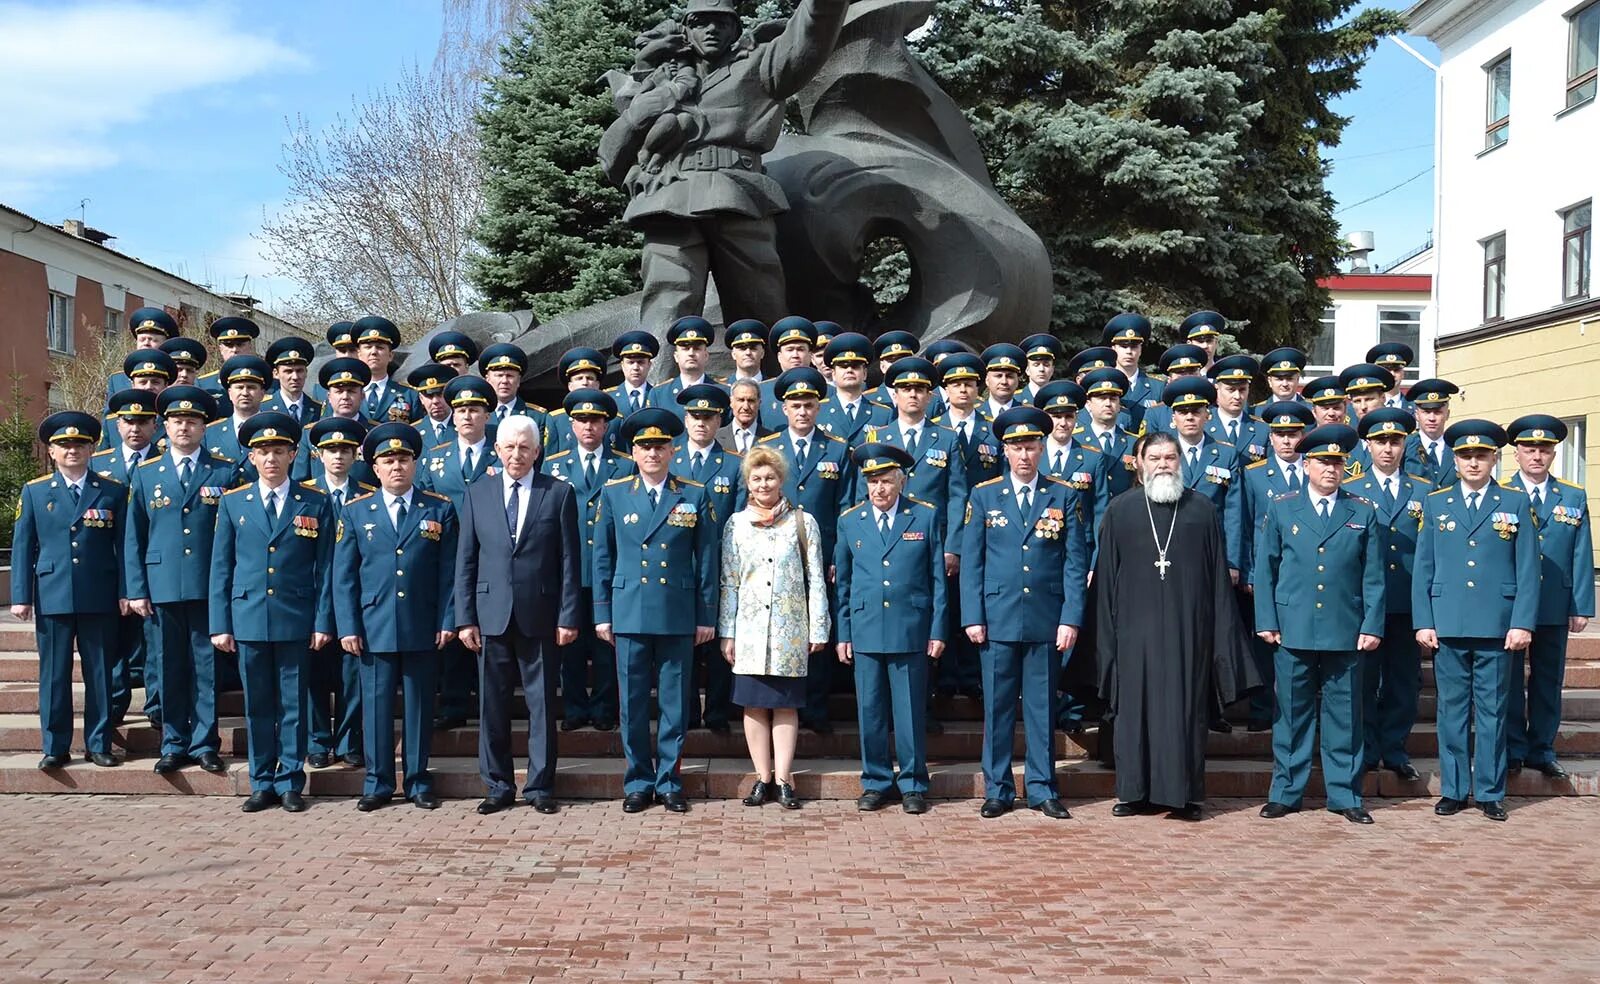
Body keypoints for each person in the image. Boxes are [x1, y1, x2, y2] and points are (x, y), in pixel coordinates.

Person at [1094, 431, 1256, 819]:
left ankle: (1184, 797)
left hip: (1188, 633)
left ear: (1180, 462)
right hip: (1134, 634)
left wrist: (1218, 639)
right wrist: (1107, 643)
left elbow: (1218, 578)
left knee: (1184, 713)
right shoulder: (1120, 509)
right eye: (1155, 458)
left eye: (1170, 457)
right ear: (1139, 463)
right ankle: (1133, 793)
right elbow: (1104, 581)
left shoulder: (1201, 509)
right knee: (1133, 713)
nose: (1163, 464)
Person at [1254, 424, 1386, 824]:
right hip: (1292, 626)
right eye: (1323, 462)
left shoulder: (1361, 510)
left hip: (1345, 628)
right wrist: (1267, 620)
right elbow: (1267, 568)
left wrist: (1372, 625)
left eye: (1337, 462)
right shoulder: (1282, 506)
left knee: (1344, 716)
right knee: (1291, 715)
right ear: (1307, 464)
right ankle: (1285, 792)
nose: (1331, 469)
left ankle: (1345, 795)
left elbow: (1374, 576)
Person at [961, 406, 1086, 820]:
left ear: (1041, 448)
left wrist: (1071, 618)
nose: (1024, 455)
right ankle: (997, 789)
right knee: (997, 708)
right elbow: (972, 562)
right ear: (1005, 451)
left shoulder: (1063, 495)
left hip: (1045, 619)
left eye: (1031, 446)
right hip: (996, 617)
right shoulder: (983, 495)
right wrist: (972, 616)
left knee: (1040, 707)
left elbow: (1074, 563)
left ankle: (1042, 787)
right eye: (1016, 447)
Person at [1413, 420, 1540, 822]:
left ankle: (1488, 791)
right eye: (1466, 456)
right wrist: (1424, 620)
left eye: (1481, 455)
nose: (1473, 462)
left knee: (1494, 712)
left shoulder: (1515, 502)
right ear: (1455, 458)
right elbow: (1424, 568)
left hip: (1498, 626)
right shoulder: (1436, 502)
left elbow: (1527, 567)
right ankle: (1453, 790)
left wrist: (1522, 622)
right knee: (1451, 712)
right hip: (1448, 623)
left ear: (1494, 459)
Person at [455, 414, 582, 815]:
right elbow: (466, 561)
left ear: (537, 451)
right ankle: (497, 784)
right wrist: (465, 618)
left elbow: (568, 561)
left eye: (524, 447)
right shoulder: (478, 493)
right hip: (490, 615)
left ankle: (541, 785)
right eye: (509, 447)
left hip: (541, 614)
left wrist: (568, 615)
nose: (516, 454)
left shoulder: (558, 493)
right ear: (497, 449)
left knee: (542, 705)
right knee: (491, 705)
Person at [594, 409, 719, 814]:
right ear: (633, 451)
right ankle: (638, 780)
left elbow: (708, 560)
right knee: (631, 702)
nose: (652, 453)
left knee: (674, 702)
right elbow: (602, 558)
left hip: (676, 611)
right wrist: (602, 612)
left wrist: (706, 615)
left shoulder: (694, 494)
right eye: (645, 446)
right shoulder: (614, 493)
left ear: (672, 450)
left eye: (660, 446)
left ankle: (669, 780)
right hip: (629, 609)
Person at [209, 412, 335, 813]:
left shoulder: (315, 502)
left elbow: (327, 567)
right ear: (250, 456)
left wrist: (323, 620)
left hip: (296, 617)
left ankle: (291, 781)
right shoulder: (233, 502)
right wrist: (220, 623)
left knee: (294, 705)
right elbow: (221, 567)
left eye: (279, 451)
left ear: (294, 454)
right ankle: (262, 781)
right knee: (258, 705)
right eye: (263, 452)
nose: (271, 459)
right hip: (248, 617)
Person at [334, 423, 459, 811]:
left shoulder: (439, 508)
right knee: (375, 706)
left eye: (403, 459)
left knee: (419, 706)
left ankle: (418, 781)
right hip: (374, 626)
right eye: (388, 461)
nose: (396, 467)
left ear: (415, 463)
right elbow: (343, 576)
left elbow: (450, 573)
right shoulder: (355, 512)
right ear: (374, 468)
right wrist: (348, 625)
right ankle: (378, 782)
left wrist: (448, 619)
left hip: (422, 623)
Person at [124, 387, 236, 775]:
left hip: (208, 586)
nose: (184, 427)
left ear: (205, 427)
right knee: (167, 666)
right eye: (176, 421)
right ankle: (173, 742)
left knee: (207, 669)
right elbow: (133, 536)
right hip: (162, 585)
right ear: (164, 427)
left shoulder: (224, 471)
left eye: (192, 421)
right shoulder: (146, 472)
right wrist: (136, 588)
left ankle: (205, 743)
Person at [10, 411, 128, 770]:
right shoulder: (35, 491)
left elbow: (124, 548)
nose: (72, 450)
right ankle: (55, 745)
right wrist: (20, 596)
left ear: (91, 448)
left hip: (99, 593)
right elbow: (22, 546)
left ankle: (99, 743)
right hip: (53, 593)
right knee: (55, 674)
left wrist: (126, 590)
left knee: (100, 674)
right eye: (64, 445)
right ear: (51, 451)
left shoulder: (112, 491)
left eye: (79, 444)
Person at [836, 443, 946, 814]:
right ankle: (876, 781)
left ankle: (913, 783)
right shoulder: (850, 520)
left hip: (910, 627)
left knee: (910, 710)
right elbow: (844, 583)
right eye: (872, 482)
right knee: (870, 710)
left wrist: (937, 630)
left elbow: (937, 581)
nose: (879, 489)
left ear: (901, 481)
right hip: (866, 628)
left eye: (886, 481)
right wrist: (844, 633)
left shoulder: (924, 517)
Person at [717, 446, 828, 809]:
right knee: (753, 705)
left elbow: (816, 578)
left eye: (770, 477)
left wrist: (818, 629)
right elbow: (729, 580)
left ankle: (783, 779)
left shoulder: (802, 522)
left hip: (788, 630)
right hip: (749, 630)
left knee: (785, 705)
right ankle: (761, 778)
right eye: (756, 478)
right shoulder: (736, 524)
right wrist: (727, 632)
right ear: (748, 483)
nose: (764, 484)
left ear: (781, 480)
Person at [757, 367, 854, 733]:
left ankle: (815, 708)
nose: (802, 411)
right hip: (774, 557)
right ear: (783, 408)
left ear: (819, 407)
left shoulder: (837, 449)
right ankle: (781, 705)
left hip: (821, 558)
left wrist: (838, 558)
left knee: (818, 633)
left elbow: (847, 509)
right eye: (795, 405)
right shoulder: (767, 449)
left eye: (809, 405)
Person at [1502, 415, 1594, 779]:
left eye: (1544, 450)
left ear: (1554, 453)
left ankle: (1542, 748)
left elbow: (1581, 553)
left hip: (1555, 602)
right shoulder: (1501, 493)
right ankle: (1511, 748)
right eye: (1529, 449)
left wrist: (1581, 605)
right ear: (1517, 454)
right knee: (1507, 681)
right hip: (1509, 604)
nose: (1536, 456)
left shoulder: (1572, 495)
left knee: (1548, 678)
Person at [1345, 408, 1430, 781]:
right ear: (1367, 445)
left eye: (1395, 441)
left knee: (1403, 680)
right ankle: (1366, 750)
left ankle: (1395, 749)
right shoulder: (1352, 489)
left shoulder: (1424, 490)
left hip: (1408, 602)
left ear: (1404, 444)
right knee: (1363, 680)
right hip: (1365, 603)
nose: (1388, 449)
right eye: (1380, 441)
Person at [542, 390, 634, 733]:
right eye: (582, 420)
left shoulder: (624, 464)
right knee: (570, 644)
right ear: (572, 425)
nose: (589, 427)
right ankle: (575, 707)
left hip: (611, 569)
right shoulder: (554, 465)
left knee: (607, 645)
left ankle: (604, 708)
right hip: (569, 568)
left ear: (606, 424)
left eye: (595, 420)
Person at [417, 375, 501, 732]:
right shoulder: (435, 458)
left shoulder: (504, 453)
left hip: (493, 553)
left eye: (475, 409)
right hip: (448, 553)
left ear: (487, 415)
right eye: (462, 409)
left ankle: (489, 704)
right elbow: (423, 502)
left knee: (491, 629)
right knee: (454, 625)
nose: (467, 416)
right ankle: (453, 703)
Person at [299, 417, 374, 770]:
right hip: (312, 597)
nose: (338, 457)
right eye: (331, 450)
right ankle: (317, 741)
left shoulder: (368, 494)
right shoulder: (303, 494)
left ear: (356, 453)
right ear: (318, 454)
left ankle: (348, 742)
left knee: (351, 676)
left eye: (345, 450)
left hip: (355, 599)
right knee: (314, 675)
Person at [1239, 400, 1317, 732]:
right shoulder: (1255, 475)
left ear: (1304, 435)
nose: (1287, 441)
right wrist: (1248, 570)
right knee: (1263, 642)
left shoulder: (1317, 472)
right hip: (1266, 572)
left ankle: (1303, 709)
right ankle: (1261, 709)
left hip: (1308, 572)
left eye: (1294, 433)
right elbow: (1243, 526)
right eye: (1280, 434)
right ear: (1270, 438)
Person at [673, 384, 746, 733]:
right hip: (677, 567)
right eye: (695, 416)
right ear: (685, 420)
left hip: (721, 567)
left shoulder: (734, 465)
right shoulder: (669, 459)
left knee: (720, 642)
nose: (701, 422)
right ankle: (686, 710)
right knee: (682, 642)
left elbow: (741, 518)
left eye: (708, 416)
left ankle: (717, 711)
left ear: (721, 420)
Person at [93, 391, 162, 730]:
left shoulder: (164, 462)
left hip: (155, 567)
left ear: (155, 425)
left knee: (154, 643)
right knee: (114, 646)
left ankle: (157, 707)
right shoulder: (98, 464)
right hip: (110, 568)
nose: (135, 428)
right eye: (128, 422)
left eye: (143, 422)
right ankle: (115, 705)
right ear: (117, 425)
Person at [816, 332, 888, 445]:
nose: (849, 370)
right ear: (834, 374)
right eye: (843, 366)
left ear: (864, 374)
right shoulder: (818, 411)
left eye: (855, 366)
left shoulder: (883, 413)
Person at [352, 316, 423, 424]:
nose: (374, 352)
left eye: (380, 347)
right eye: (368, 347)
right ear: (359, 354)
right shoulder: (345, 392)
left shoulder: (409, 394)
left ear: (390, 355)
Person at [648, 317, 725, 414]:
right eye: (685, 348)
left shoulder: (724, 392)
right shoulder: (659, 394)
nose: (691, 353)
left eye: (697, 348)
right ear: (676, 356)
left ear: (706, 355)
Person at [205, 355, 271, 468]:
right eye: (239, 387)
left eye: (251, 387)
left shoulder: (274, 429)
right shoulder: (210, 433)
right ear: (230, 393)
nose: (245, 393)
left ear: (262, 393)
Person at [104, 307, 177, 404]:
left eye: (153, 340)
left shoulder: (177, 376)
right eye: (142, 340)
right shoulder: (117, 379)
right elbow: (109, 417)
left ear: (165, 343)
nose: (146, 343)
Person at [1101, 313, 1162, 429]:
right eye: (1123, 346)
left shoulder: (1158, 387)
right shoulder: (1103, 385)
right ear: (1113, 349)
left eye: (1134, 346)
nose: (1129, 351)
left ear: (1140, 350)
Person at [1205, 355, 1269, 465]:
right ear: (1217, 389)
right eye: (1231, 390)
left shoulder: (1262, 429)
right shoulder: (1204, 426)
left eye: (1242, 390)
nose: (1237, 396)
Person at [479, 342, 549, 428]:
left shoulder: (538, 416)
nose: (504, 381)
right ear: (487, 380)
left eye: (510, 376)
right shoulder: (477, 414)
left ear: (519, 380)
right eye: (499, 375)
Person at [1403, 379, 1459, 485]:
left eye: (1438, 412)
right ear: (1417, 415)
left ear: (1447, 414)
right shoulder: (1405, 445)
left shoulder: (1456, 447)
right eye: (1426, 412)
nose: (1432, 418)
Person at [197, 317, 260, 402]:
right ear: (220, 349)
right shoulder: (203, 384)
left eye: (240, 345)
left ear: (250, 347)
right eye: (229, 345)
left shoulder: (264, 382)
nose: (234, 350)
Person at [260, 338, 322, 425]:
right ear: (276, 374)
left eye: (299, 371)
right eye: (288, 371)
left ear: (306, 373)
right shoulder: (263, 408)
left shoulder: (319, 409)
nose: (295, 377)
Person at [607, 329, 659, 422]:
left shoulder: (658, 395)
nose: (636, 367)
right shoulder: (609, 398)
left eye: (641, 362)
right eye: (630, 362)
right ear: (622, 365)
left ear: (649, 365)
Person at [407, 363, 458, 448]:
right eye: (429, 396)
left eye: (440, 394)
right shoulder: (412, 433)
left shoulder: (465, 425)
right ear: (421, 399)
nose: (435, 401)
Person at [1252, 348, 1308, 416]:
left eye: (1289, 379)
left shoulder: (1312, 410)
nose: (1285, 384)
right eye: (1279, 379)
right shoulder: (1256, 412)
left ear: (1297, 380)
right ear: (1270, 381)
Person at [978, 344, 1025, 420]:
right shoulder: (974, 415)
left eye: (1009, 376)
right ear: (987, 380)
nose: (1004, 381)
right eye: (998, 376)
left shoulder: (1027, 414)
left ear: (1017, 381)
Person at [720, 379, 767, 453]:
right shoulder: (715, 438)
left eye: (751, 400)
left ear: (759, 403)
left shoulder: (771, 439)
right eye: (741, 400)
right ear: (731, 402)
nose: (745, 407)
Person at [1366, 342, 1415, 411]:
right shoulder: (1364, 407)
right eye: (1387, 370)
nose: (1392, 374)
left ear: (1403, 374)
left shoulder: (1416, 407)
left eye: (1396, 370)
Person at [1017, 333, 1062, 406]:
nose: (1041, 369)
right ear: (1027, 370)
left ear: (1052, 369)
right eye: (1036, 365)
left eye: (1046, 365)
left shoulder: (1060, 400)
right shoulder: (1016, 399)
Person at [725, 319, 768, 383]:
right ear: (733, 354)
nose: (748, 352)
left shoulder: (774, 387)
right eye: (742, 349)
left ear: (762, 353)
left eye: (753, 348)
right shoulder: (723, 388)